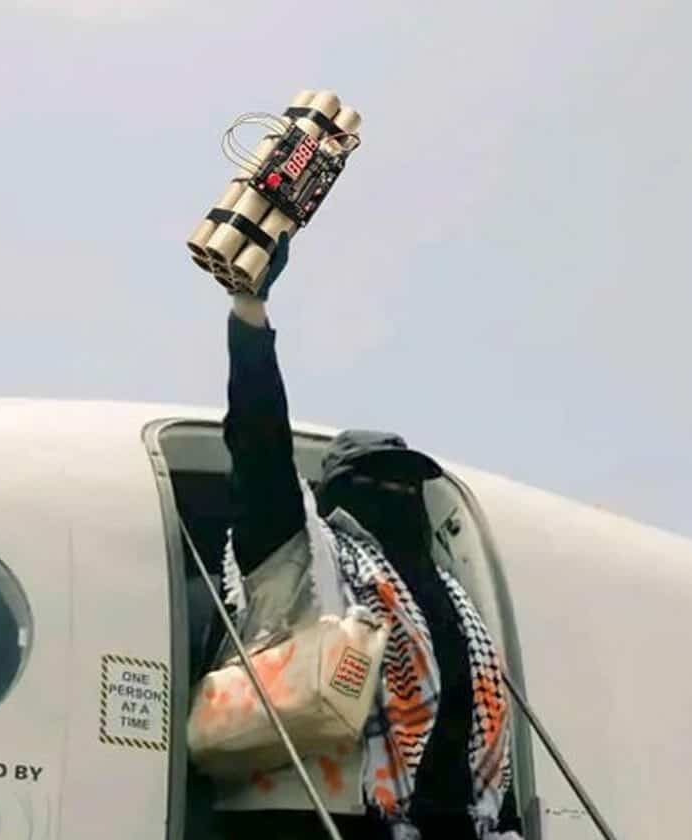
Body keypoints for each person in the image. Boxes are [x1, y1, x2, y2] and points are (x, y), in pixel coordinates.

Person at [202, 232, 524, 840]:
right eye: (375, 484)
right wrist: (250, 317)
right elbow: (260, 453)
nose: (396, 497)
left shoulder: (449, 593)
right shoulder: (309, 561)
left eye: (406, 487)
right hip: (338, 822)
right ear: (336, 496)